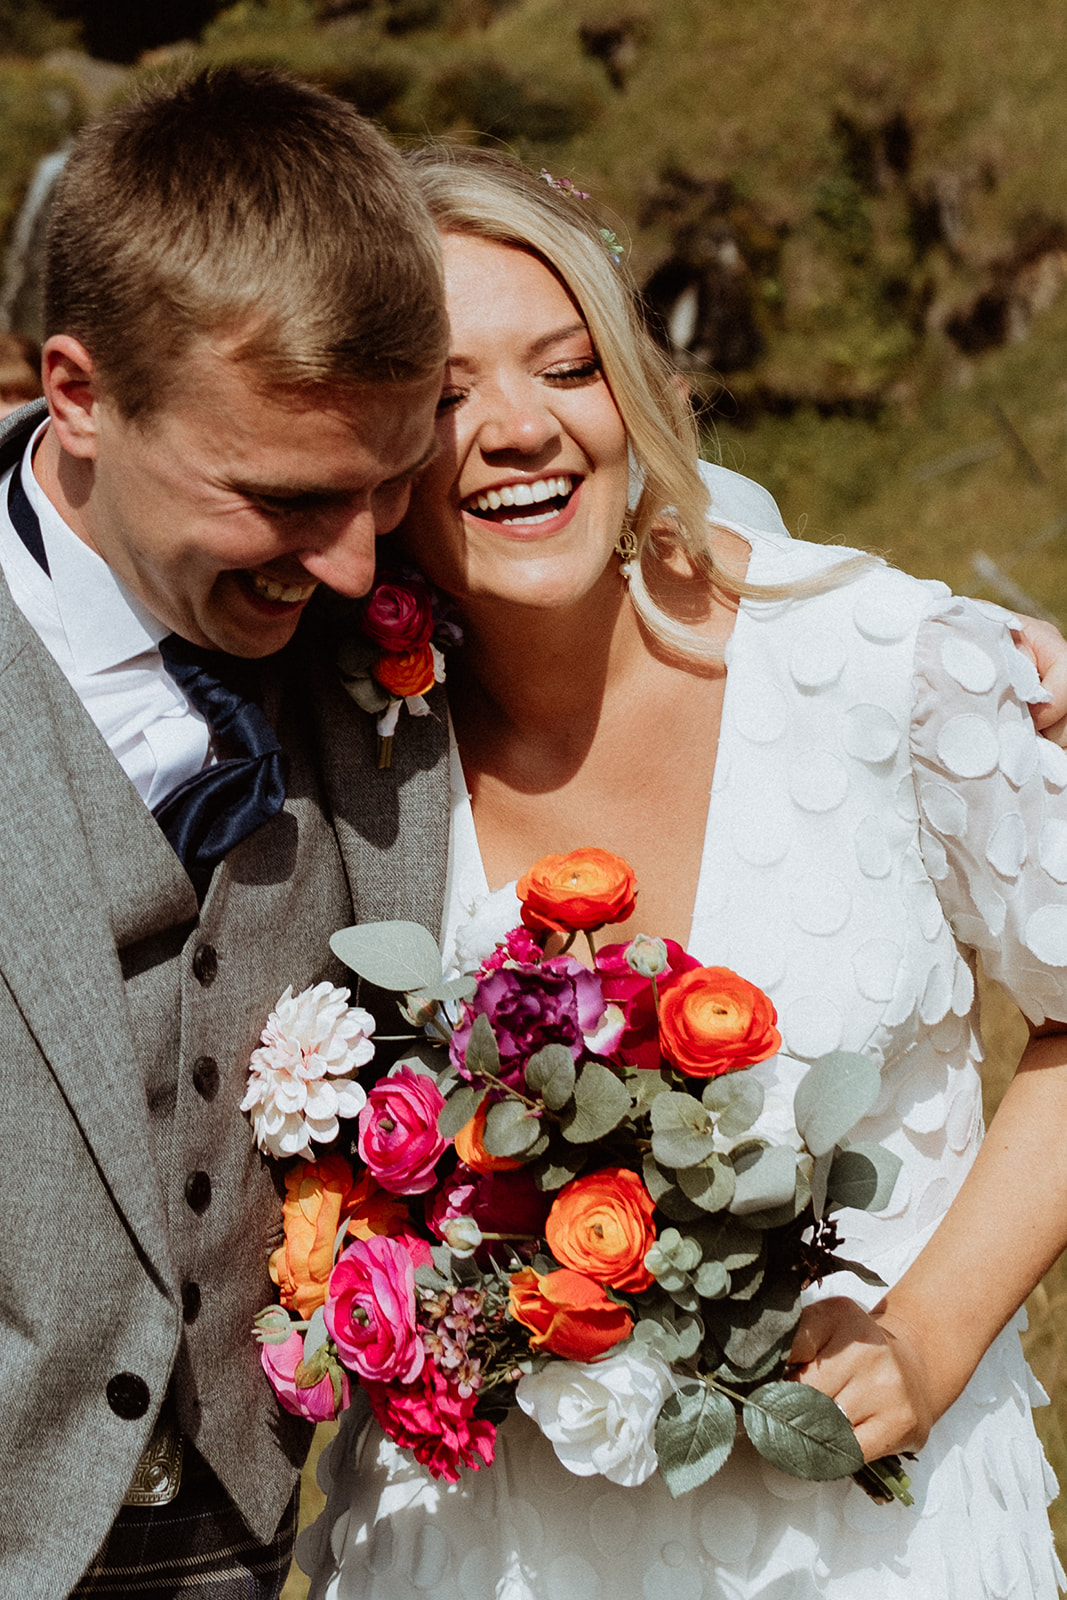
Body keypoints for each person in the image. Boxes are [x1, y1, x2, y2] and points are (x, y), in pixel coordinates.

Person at [304, 144, 1067, 1600]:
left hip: (869, 1545)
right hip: (476, 1555)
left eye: (569, 367)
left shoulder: (889, 665)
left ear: (634, 389)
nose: (517, 428)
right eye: (447, 394)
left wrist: (931, 1333)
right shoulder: (328, 737)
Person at [0, 67, 452, 1600]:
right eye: (287, 499)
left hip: (254, 1541)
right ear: (76, 394)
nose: (352, 565)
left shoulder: (376, 598)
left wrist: (939, 651)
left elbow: (611, 502)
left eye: (391, 486)